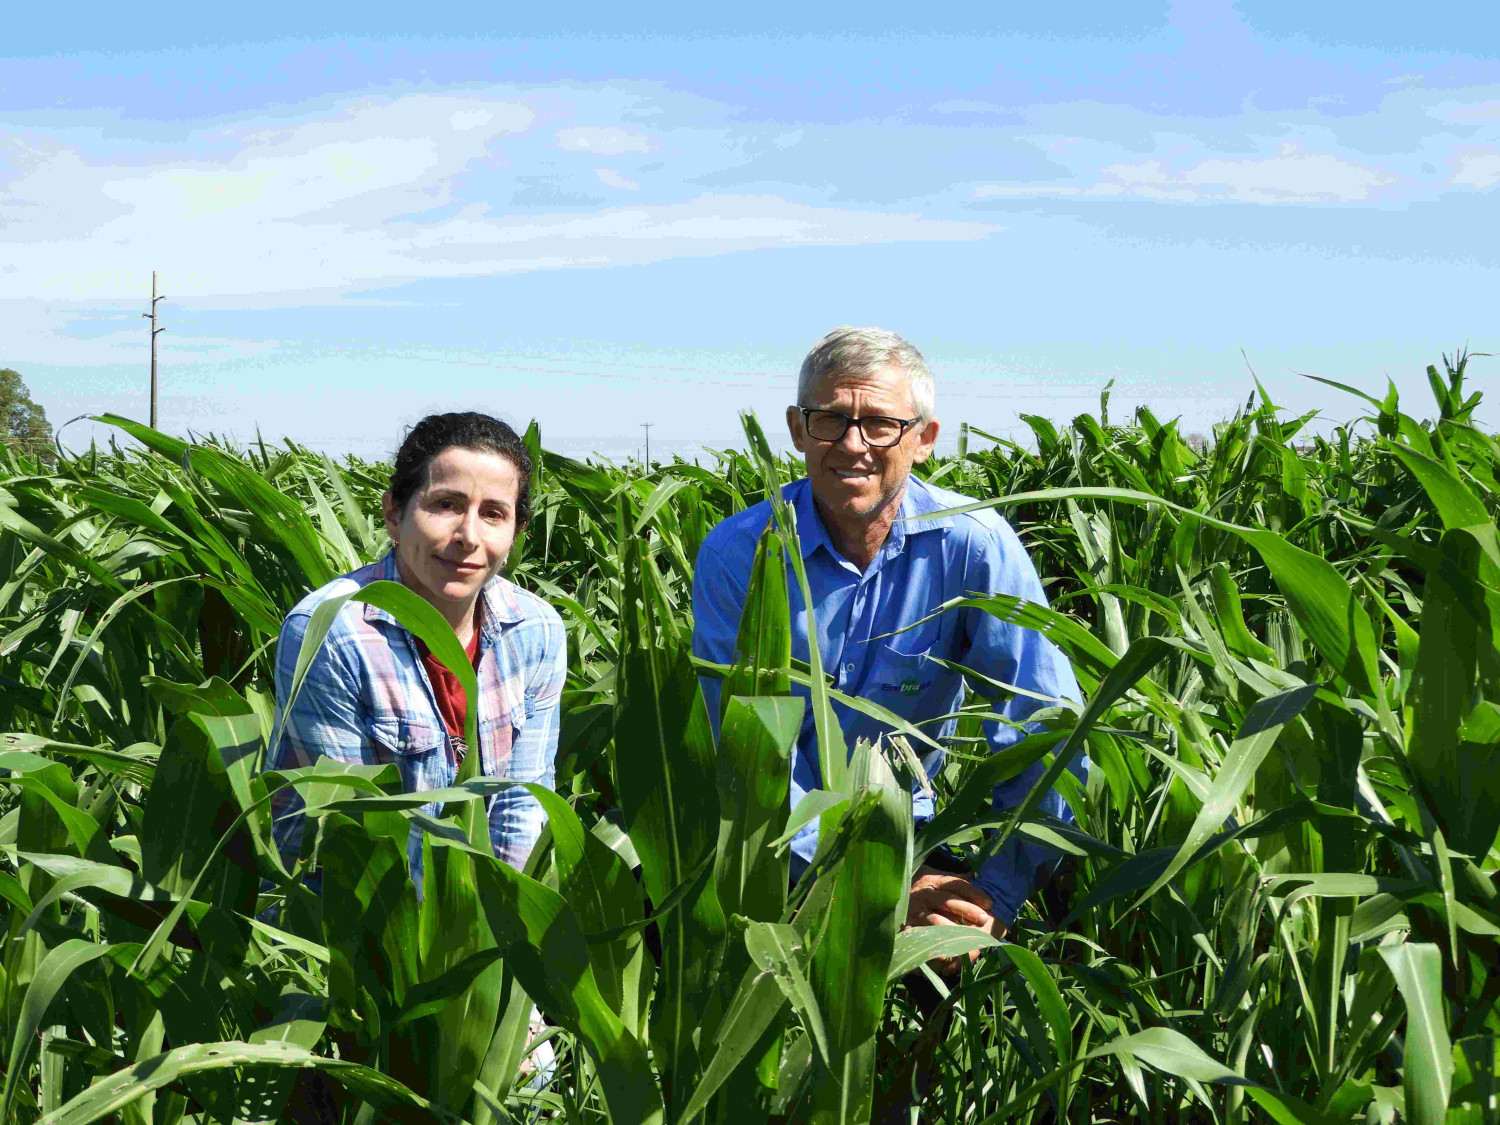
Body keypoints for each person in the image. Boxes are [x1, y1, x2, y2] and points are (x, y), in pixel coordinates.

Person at [692, 327, 1082, 956]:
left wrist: (993, 898)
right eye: (831, 421)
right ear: (797, 429)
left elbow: (1045, 730)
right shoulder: (742, 553)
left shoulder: (973, 546)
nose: (853, 444)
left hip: (916, 842)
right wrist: (870, 884)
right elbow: (740, 751)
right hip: (767, 849)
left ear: (924, 439)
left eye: (880, 424)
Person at [267, 411, 566, 880]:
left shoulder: (535, 630)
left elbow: (522, 805)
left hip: (478, 922)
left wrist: (503, 932)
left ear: (516, 532)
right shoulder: (332, 632)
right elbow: (356, 837)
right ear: (393, 513)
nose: (468, 536)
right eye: (446, 505)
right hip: (347, 919)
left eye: (493, 513)